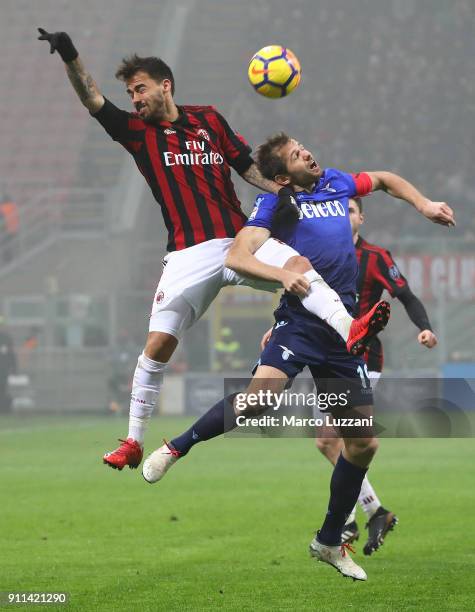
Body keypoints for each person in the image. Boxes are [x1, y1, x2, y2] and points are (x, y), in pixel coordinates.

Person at [38, 29, 388, 470]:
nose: (134, 99)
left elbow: (247, 168)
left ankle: (348, 326)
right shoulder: (135, 132)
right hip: (188, 254)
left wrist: (285, 191)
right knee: (159, 343)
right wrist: (69, 53)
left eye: (140, 89)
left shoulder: (209, 121)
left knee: (297, 264)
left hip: (236, 239)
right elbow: (92, 100)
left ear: (165, 85)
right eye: (130, 92)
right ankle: (132, 440)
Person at [141, 133, 455, 580]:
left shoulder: (336, 182)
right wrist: (279, 276)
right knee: (260, 398)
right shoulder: (277, 203)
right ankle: (175, 448)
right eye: (295, 154)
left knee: (363, 443)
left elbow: (384, 179)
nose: (307, 152)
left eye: (303, 146)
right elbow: (237, 255)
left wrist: (423, 204)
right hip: (303, 320)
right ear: (283, 174)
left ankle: (329, 542)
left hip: (342, 331)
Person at [313, 196, 438, 555]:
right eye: (339, 211)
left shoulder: (376, 257)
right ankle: (375, 511)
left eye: (350, 210)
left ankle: (350, 518)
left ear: (361, 218)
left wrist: (425, 328)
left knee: (333, 437)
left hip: (364, 358)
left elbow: (407, 296)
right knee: (328, 442)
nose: (344, 216)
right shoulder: (322, 255)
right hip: (329, 358)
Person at [0, 317, 17, 413]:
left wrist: (14, 368)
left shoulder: (6, 339)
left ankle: (3, 410)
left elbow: (11, 355)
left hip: (3, 370)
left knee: (3, 389)